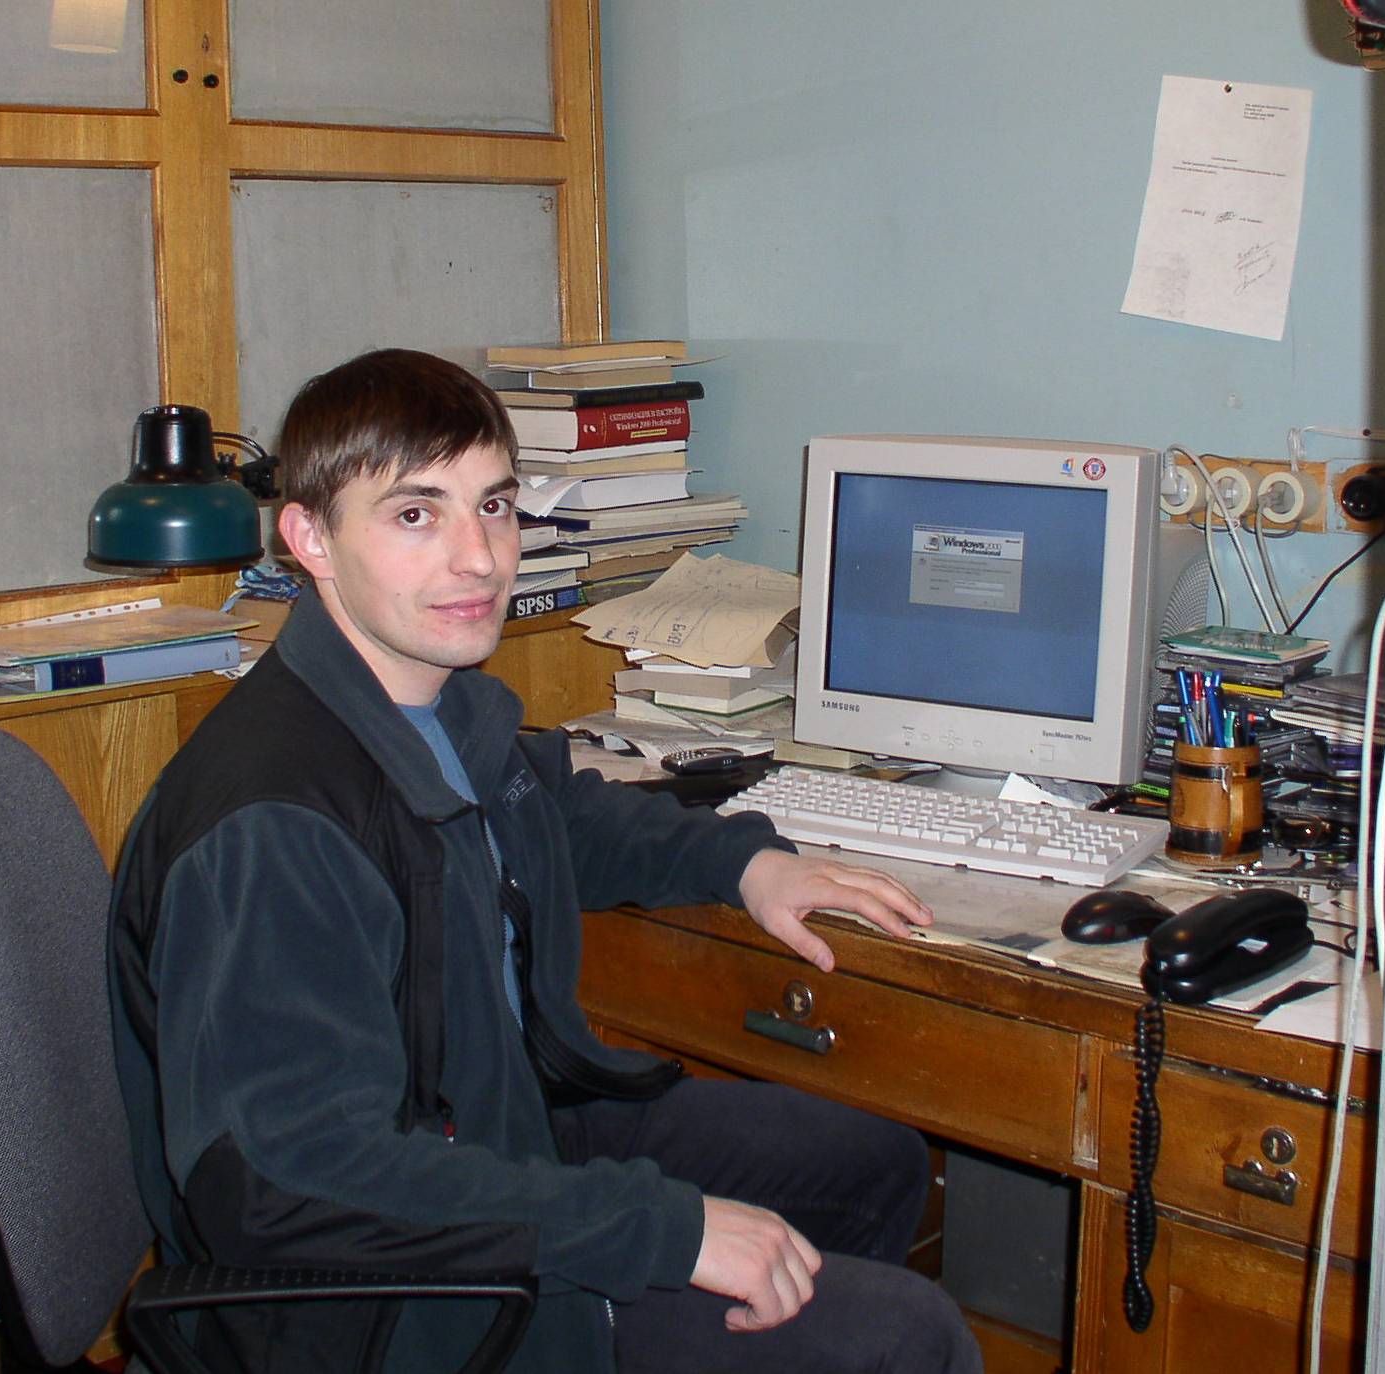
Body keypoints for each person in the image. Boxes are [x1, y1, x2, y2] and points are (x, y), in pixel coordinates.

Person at [108, 348, 982, 1374]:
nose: (480, 559)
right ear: (309, 539)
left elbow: (552, 813)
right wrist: (659, 1232)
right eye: (415, 514)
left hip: (486, 1128)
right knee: (905, 1339)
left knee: (871, 1165)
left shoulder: (425, 706)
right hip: (384, 1296)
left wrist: (746, 865)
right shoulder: (275, 824)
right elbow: (288, 1181)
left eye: (495, 506)